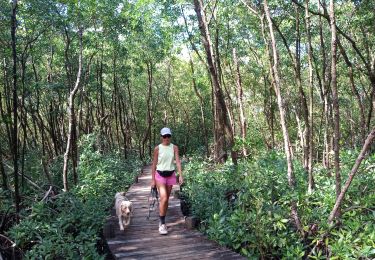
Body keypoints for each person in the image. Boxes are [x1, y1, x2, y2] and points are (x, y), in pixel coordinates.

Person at [151, 127, 183, 235]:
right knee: (164, 198)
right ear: (161, 137)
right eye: (164, 136)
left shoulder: (174, 147)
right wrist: (152, 180)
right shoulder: (157, 148)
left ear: (170, 136)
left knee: (166, 199)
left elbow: (177, 162)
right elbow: (154, 164)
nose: (166, 138)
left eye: (168, 136)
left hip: (171, 175)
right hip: (160, 175)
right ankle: (162, 223)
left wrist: (181, 175)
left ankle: (162, 213)